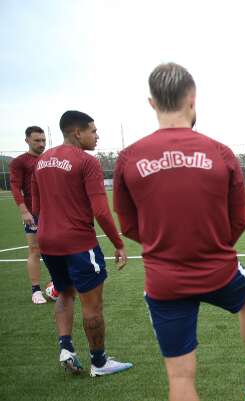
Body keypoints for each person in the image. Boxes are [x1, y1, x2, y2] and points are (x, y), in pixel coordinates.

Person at [113, 63, 245, 401]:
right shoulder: (219, 152)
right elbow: (239, 220)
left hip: (164, 278)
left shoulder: (128, 157)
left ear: (152, 103)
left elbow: (128, 223)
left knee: (179, 378)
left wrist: (163, 246)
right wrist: (210, 246)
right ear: (192, 99)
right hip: (217, 268)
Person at [32, 110, 132, 377]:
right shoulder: (87, 162)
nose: (97, 136)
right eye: (93, 131)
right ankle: (99, 362)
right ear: (78, 133)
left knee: (65, 293)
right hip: (78, 242)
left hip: (47, 241)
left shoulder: (41, 162)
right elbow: (101, 211)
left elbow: (36, 207)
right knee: (93, 305)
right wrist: (118, 243)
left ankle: (66, 347)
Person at [9, 126, 47, 304]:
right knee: (34, 250)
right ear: (27, 140)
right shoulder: (19, 162)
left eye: (43, 140)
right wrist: (24, 210)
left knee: (60, 249)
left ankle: (59, 285)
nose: (41, 144)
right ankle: (36, 290)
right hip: (33, 213)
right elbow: (15, 187)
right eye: (37, 140)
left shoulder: (50, 158)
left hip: (54, 213)